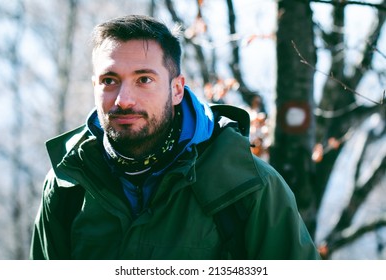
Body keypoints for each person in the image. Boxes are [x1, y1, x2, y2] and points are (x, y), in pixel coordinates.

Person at [30, 14, 321, 260]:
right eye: (109, 80)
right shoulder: (67, 184)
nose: (124, 99)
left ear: (177, 89)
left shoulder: (248, 187)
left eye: (144, 79)